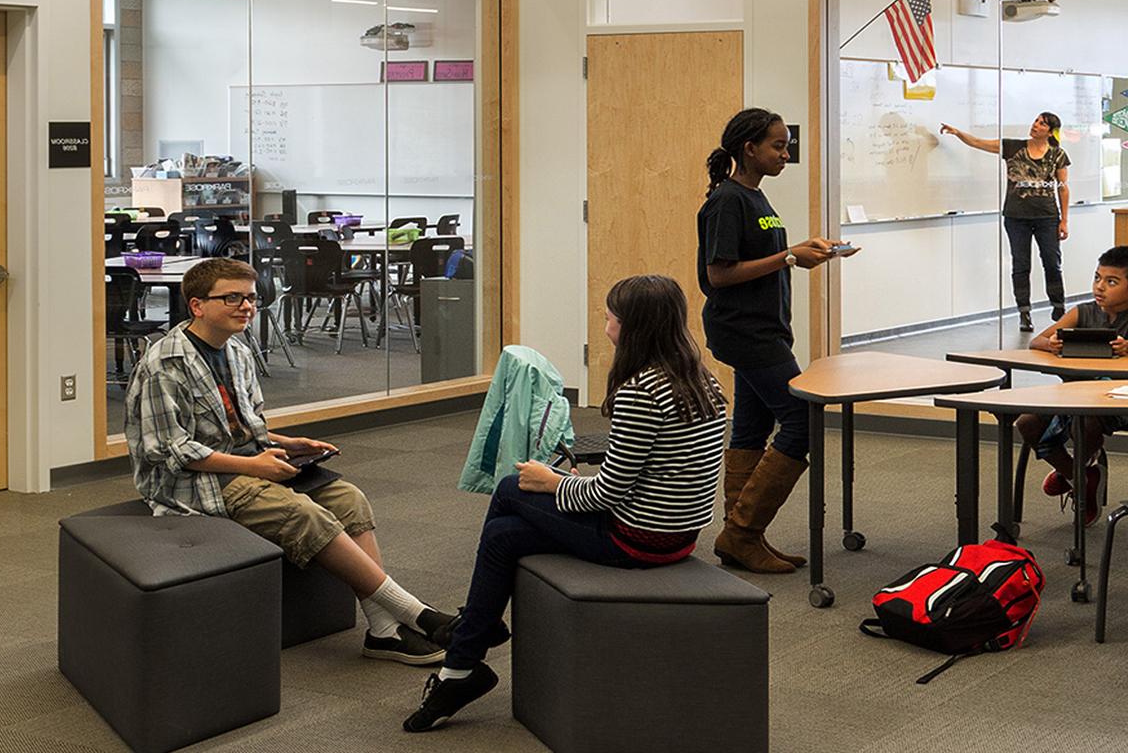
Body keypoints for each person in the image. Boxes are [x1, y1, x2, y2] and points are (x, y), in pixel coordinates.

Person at [404, 275, 727, 732]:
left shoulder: (642, 392)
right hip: (679, 535)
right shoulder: (701, 382)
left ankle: (474, 635)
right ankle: (462, 662)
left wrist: (554, 482)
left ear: (634, 327)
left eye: (612, 316)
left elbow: (606, 495)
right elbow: (648, 479)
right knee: (502, 536)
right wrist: (567, 484)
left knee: (512, 489)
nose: (606, 322)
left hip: (637, 540)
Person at [125, 258, 452, 665]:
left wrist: (284, 441)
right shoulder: (164, 365)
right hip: (191, 481)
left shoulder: (238, 351)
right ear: (197, 306)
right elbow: (169, 450)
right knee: (302, 513)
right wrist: (254, 466)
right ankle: (414, 613)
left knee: (349, 498)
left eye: (250, 298)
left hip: (245, 459)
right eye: (232, 298)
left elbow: (243, 425)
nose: (246, 306)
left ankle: (382, 630)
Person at [698, 107, 851, 573]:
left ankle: (740, 537)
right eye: (778, 146)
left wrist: (803, 252)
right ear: (750, 149)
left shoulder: (755, 197)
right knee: (802, 420)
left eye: (787, 145)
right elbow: (718, 274)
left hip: (764, 327)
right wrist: (789, 256)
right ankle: (742, 532)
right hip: (744, 330)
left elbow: (766, 257)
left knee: (749, 427)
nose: (786, 154)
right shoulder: (728, 200)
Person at [1017, 246, 1128, 523]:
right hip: (1073, 396)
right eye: (1097, 278)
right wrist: (1051, 344)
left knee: (1085, 423)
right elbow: (1037, 340)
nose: (1100, 287)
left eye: (1111, 282)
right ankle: (1081, 476)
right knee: (1027, 423)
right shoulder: (1081, 312)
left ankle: (1077, 476)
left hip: (1123, 400)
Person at [939, 113, 1071, 330]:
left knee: (1052, 262)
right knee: (1021, 265)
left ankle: (1058, 306)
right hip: (1016, 217)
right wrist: (958, 133)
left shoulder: (1058, 154)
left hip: (1047, 217)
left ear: (1050, 131)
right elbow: (980, 143)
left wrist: (1064, 220)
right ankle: (1024, 313)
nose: (1035, 125)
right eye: (1036, 121)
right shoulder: (1013, 147)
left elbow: (1063, 188)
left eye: (1041, 124)